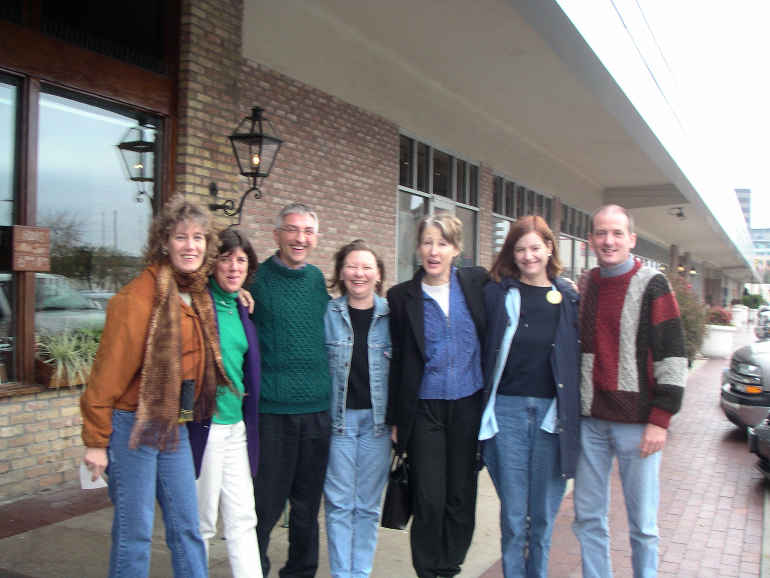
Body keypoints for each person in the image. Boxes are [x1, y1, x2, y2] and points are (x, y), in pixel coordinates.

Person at [80, 195, 225, 578]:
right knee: (136, 532)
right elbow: (105, 377)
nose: (190, 246)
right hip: (133, 425)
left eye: (198, 238)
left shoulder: (196, 292)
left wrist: (242, 293)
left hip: (172, 425)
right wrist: (96, 442)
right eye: (181, 237)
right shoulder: (137, 299)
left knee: (187, 526)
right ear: (164, 242)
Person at [572, 204, 687, 578]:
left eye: (617, 233)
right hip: (591, 422)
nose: (609, 241)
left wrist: (660, 419)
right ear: (590, 240)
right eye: (601, 233)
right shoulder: (587, 284)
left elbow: (673, 354)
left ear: (632, 239)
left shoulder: (654, 284)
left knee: (643, 524)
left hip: (638, 426)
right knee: (588, 517)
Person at [478, 215, 580, 578]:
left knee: (542, 518)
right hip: (507, 414)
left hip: (552, 418)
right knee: (513, 517)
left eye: (535, 247)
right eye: (520, 249)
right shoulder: (497, 294)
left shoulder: (568, 298)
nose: (528, 256)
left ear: (550, 248)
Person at [386, 213, 487, 578]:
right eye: (427, 242)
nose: (434, 251)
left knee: (461, 495)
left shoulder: (477, 283)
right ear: (417, 248)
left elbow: (522, 284)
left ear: (456, 249)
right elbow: (397, 359)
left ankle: (449, 567)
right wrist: (396, 419)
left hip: (468, 405)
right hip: (424, 408)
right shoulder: (402, 297)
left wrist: (563, 288)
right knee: (429, 497)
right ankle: (428, 571)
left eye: (442, 243)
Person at [248, 202, 331, 577]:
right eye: (292, 230)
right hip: (273, 414)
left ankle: (300, 571)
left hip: (317, 411)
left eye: (307, 232)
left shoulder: (316, 280)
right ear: (277, 235)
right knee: (265, 506)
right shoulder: (256, 282)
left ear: (316, 238)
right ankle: (255, 569)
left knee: (306, 507)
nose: (300, 238)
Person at [187, 228, 262, 578]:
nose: (234, 267)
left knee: (243, 517)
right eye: (226, 259)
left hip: (236, 428)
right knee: (201, 521)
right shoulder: (196, 303)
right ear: (212, 263)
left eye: (241, 260)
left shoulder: (241, 307)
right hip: (207, 427)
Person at [323, 239, 391, 578]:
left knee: (367, 506)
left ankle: (359, 573)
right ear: (341, 272)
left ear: (378, 274)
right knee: (338, 504)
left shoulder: (393, 315)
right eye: (352, 266)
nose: (359, 273)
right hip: (339, 423)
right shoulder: (328, 313)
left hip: (378, 426)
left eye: (366, 267)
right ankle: (341, 573)